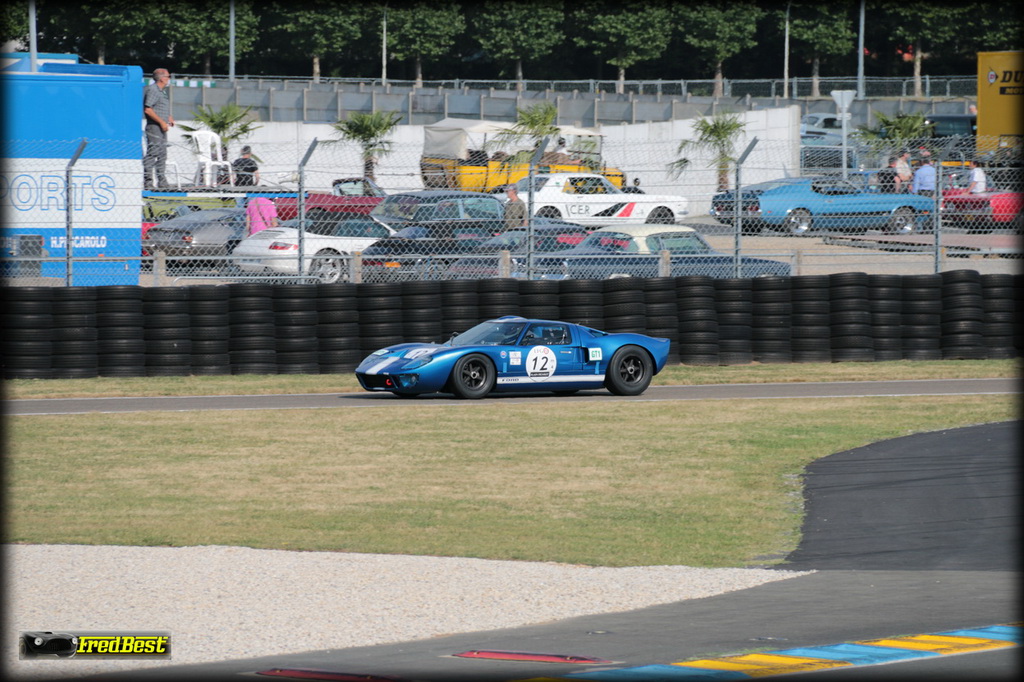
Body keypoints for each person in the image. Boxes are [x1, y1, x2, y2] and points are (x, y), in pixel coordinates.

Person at [142, 68, 175, 188]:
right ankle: (148, 182)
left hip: (162, 127)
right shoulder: (153, 90)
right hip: (154, 127)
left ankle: (162, 181)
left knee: (162, 154)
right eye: (168, 76)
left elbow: (159, 107)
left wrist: (168, 117)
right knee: (153, 153)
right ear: (162, 78)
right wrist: (161, 122)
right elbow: (148, 109)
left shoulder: (162, 91)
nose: (169, 79)